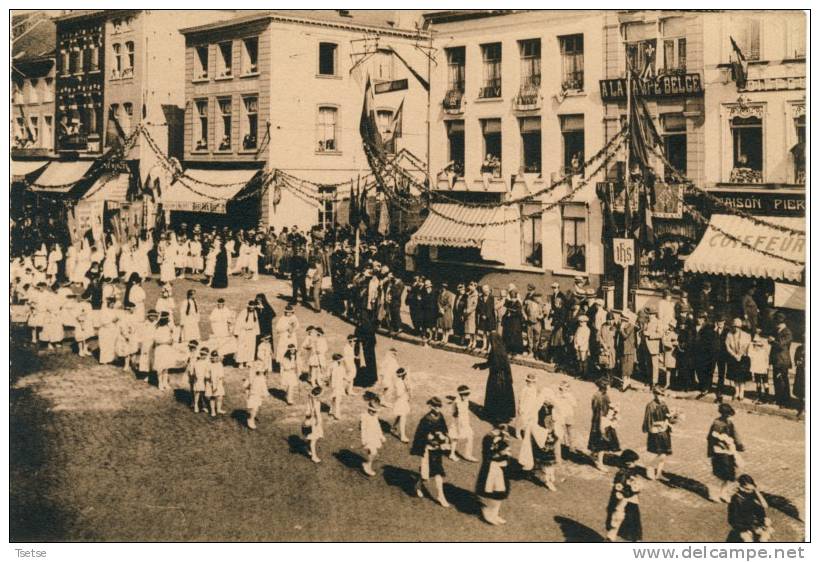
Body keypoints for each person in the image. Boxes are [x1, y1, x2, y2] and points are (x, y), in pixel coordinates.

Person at [410, 397, 451, 508]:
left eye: (439, 406)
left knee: (438, 473)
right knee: (425, 476)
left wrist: (446, 439)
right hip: (428, 450)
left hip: (437, 450)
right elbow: (421, 436)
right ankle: (417, 486)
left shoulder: (440, 416)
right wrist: (432, 440)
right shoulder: (426, 419)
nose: (437, 408)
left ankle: (440, 496)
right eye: (435, 406)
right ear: (431, 406)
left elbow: (444, 430)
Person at [519, 389, 560, 491]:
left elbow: (555, 419)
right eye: (548, 398)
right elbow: (535, 423)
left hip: (549, 435)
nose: (550, 400)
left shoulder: (551, 407)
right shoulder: (539, 409)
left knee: (549, 458)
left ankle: (546, 475)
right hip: (542, 436)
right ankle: (547, 480)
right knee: (545, 460)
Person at [474, 333, 516, 425]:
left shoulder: (495, 352)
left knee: (494, 396)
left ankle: (494, 415)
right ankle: (502, 415)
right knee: (503, 398)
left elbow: (491, 364)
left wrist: (480, 366)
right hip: (504, 379)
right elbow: (507, 368)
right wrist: (479, 365)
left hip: (495, 378)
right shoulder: (502, 350)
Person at [475, 426, 512, 525]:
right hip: (493, 467)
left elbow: (507, 448)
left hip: (502, 466)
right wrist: (501, 453)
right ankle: (488, 512)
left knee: (501, 492)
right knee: (495, 491)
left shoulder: (505, 434)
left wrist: (506, 454)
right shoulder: (489, 437)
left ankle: (494, 513)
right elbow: (488, 454)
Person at [708, 403, 744, 503]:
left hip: (728, 451)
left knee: (729, 474)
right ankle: (716, 494)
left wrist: (738, 445)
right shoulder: (717, 423)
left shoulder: (728, 422)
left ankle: (723, 493)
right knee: (722, 474)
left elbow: (735, 435)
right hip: (720, 452)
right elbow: (712, 438)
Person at [605, 449, 643, 542]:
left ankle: (613, 537)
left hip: (630, 499)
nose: (634, 464)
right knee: (618, 517)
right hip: (623, 499)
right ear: (627, 463)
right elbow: (620, 489)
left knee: (629, 519)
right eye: (632, 463)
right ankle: (610, 538)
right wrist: (630, 491)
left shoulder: (630, 472)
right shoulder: (622, 474)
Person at [728, 475, 772, 542]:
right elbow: (732, 520)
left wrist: (764, 520)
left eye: (752, 489)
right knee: (748, 540)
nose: (750, 491)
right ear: (741, 487)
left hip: (755, 524)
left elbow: (764, 506)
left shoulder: (751, 495)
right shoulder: (736, 500)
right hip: (743, 527)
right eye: (748, 489)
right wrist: (749, 529)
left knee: (764, 537)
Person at [642, 387, 674, 480]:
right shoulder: (650, 405)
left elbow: (667, 417)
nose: (662, 397)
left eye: (663, 395)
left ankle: (659, 473)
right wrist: (659, 424)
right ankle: (650, 467)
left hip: (664, 432)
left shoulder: (664, 404)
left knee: (663, 454)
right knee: (654, 453)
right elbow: (649, 421)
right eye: (659, 395)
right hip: (655, 433)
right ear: (655, 395)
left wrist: (672, 418)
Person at [588, 378, 618, 471]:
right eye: (608, 385)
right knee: (602, 442)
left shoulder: (604, 395)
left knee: (598, 440)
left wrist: (613, 408)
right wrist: (603, 424)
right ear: (604, 386)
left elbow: (607, 405)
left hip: (602, 420)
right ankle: (600, 463)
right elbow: (598, 412)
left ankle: (593, 454)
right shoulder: (598, 397)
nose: (610, 387)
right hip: (600, 421)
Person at [769, 313, 793, 409]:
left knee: (783, 380)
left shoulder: (787, 332)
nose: (775, 325)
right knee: (776, 379)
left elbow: (781, 345)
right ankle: (778, 398)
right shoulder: (777, 331)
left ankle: (785, 401)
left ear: (781, 323)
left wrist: (772, 341)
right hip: (776, 359)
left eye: (777, 323)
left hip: (783, 360)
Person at [449, 385, 478, 462]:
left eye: (467, 394)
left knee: (470, 436)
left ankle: (468, 454)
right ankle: (452, 454)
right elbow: (454, 414)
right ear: (460, 394)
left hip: (465, 422)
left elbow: (465, 413)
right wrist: (459, 425)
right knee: (455, 438)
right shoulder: (456, 402)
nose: (466, 396)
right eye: (465, 395)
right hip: (457, 423)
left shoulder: (466, 401)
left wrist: (467, 423)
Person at [725, 318, 751, 402]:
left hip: (743, 358)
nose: (736, 328)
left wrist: (740, 355)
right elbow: (727, 346)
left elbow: (747, 346)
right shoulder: (729, 335)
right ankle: (736, 392)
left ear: (740, 327)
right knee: (735, 376)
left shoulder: (746, 335)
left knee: (742, 377)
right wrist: (734, 355)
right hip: (733, 357)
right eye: (734, 327)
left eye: (738, 327)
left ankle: (741, 393)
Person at [360, 400, 386, 476]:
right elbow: (363, 429)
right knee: (373, 452)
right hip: (368, 438)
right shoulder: (364, 417)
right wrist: (364, 440)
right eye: (372, 411)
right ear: (369, 409)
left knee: (372, 452)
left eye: (375, 412)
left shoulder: (375, 417)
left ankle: (367, 464)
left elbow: (378, 427)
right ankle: (368, 465)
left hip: (374, 437)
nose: (374, 413)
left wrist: (381, 436)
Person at [554, 380, 577, 462]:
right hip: (561, 417)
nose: (566, 389)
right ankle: (560, 452)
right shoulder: (557, 395)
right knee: (561, 433)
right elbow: (555, 405)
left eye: (568, 387)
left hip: (569, 415)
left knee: (571, 432)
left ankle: (572, 448)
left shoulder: (570, 396)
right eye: (565, 388)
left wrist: (568, 398)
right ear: (561, 388)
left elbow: (575, 405)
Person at [748, 327, 771, 404]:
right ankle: (759, 396)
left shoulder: (765, 341)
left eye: (759, 329)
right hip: (756, 364)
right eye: (756, 329)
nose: (758, 330)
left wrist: (767, 366)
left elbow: (767, 355)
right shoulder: (754, 341)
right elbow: (750, 352)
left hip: (763, 365)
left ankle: (766, 397)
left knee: (765, 381)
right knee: (758, 381)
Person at [234, 301, 260, 368]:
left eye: (253, 307)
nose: (252, 308)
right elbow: (238, 322)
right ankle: (241, 362)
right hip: (243, 332)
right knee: (242, 347)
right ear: (248, 306)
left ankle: (249, 362)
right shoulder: (243, 312)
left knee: (251, 347)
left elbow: (256, 323)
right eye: (250, 307)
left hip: (251, 332)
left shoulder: (255, 312)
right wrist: (236, 332)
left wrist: (257, 332)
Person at [244, 360, 269, 429]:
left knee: (255, 408)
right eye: (259, 371)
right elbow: (246, 384)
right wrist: (247, 388)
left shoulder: (262, 378)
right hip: (252, 394)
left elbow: (264, 387)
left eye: (262, 371)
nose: (261, 372)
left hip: (258, 395)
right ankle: (251, 420)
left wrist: (266, 393)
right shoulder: (252, 377)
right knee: (253, 407)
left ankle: (251, 418)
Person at [303, 386, 325, 463]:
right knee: (314, 440)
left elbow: (307, 412)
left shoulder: (310, 399)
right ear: (319, 395)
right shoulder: (317, 403)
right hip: (314, 423)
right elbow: (317, 414)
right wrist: (319, 423)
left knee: (310, 437)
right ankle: (314, 456)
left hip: (308, 421)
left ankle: (307, 448)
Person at [617, 311, 638, 391]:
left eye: (623, 319)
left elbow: (625, 336)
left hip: (628, 350)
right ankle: (627, 383)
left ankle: (625, 385)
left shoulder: (630, 326)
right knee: (625, 367)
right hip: (624, 349)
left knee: (627, 368)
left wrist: (621, 329)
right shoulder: (626, 326)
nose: (622, 321)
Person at [516, 373, 540, 439]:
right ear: (526, 381)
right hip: (525, 406)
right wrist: (520, 407)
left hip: (532, 406)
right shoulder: (524, 389)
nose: (530, 383)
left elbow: (536, 398)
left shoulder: (535, 389)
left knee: (532, 420)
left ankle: (528, 433)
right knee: (522, 420)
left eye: (532, 382)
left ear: (534, 382)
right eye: (529, 382)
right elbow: (520, 399)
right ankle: (518, 432)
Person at [390, 367, 411, 442]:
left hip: (403, 400)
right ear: (403, 375)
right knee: (403, 417)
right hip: (401, 401)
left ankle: (393, 427)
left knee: (400, 415)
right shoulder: (399, 383)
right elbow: (399, 394)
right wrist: (406, 390)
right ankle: (403, 436)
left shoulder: (402, 381)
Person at [206, 350, 226, 417]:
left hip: (218, 383)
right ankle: (213, 410)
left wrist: (221, 382)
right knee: (213, 397)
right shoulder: (209, 365)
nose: (215, 359)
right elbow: (207, 375)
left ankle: (219, 409)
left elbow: (221, 375)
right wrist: (211, 384)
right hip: (211, 383)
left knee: (220, 396)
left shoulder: (220, 364)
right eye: (213, 357)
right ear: (211, 358)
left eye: (216, 357)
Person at [477, 285, 497, 352]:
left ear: (489, 290)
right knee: (484, 332)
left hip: (490, 318)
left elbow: (491, 308)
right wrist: (482, 314)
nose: (486, 292)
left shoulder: (492, 298)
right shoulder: (480, 297)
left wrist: (486, 316)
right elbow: (479, 307)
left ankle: (490, 347)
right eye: (484, 291)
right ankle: (484, 345)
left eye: (487, 290)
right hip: (483, 318)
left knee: (489, 333)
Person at [190, 347, 209, 413]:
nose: (203, 356)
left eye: (205, 355)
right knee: (197, 393)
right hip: (198, 380)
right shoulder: (196, 362)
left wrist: (207, 378)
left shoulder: (207, 362)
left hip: (204, 380)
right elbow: (192, 372)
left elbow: (208, 371)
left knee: (204, 393)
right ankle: (196, 405)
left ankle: (204, 406)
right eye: (202, 354)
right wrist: (194, 376)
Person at [328, 353, 347, 420]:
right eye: (340, 360)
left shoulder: (341, 367)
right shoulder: (333, 366)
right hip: (334, 385)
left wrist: (347, 379)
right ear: (337, 360)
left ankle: (331, 410)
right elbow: (328, 375)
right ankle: (337, 414)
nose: (342, 361)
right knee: (337, 399)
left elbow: (344, 376)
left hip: (339, 385)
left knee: (335, 398)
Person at [463, 282, 479, 350]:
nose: (469, 288)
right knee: (469, 329)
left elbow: (474, 306)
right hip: (468, 314)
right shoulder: (469, 294)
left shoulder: (476, 295)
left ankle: (474, 342)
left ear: (474, 287)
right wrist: (465, 310)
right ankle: (470, 341)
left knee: (474, 329)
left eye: (471, 286)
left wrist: (468, 310)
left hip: (473, 314)